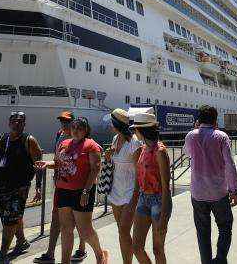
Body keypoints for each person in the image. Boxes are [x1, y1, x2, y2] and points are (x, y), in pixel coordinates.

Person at [36, 117, 108, 264]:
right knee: (66, 229)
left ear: (85, 130)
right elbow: (58, 163)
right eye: (74, 127)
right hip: (63, 190)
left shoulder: (91, 145)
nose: (75, 130)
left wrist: (86, 191)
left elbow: (95, 169)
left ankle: (100, 254)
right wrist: (46, 163)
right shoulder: (64, 143)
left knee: (85, 231)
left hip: (81, 191)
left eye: (80, 128)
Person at [0, 112, 43, 263]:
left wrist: (38, 187)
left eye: (20, 121)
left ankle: (3, 253)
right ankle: (22, 242)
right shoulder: (3, 138)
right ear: (9, 123)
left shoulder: (29, 140)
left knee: (10, 221)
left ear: (24, 124)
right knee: (11, 217)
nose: (17, 124)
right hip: (0, 187)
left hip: (19, 188)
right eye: (14, 121)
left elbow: (39, 165)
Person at [184, 105, 237, 264]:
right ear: (215, 120)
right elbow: (230, 165)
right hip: (219, 193)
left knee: (202, 232)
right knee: (225, 226)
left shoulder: (190, 136)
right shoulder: (221, 136)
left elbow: (186, 153)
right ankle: (220, 259)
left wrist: (195, 130)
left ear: (199, 120)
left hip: (198, 193)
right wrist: (233, 190)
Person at [34, 111, 87, 263]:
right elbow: (58, 160)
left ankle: (82, 249)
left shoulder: (79, 138)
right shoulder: (59, 135)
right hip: (60, 183)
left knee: (79, 220)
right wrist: (48, 165)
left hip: (76, 186)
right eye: (62, 121)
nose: (64, 124)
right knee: (56, 218)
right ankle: (50, 253)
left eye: (67, 122)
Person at [131, 112, 172, 264]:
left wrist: (163, 217)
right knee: (136, 246)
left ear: (142, 131)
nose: (134, 132)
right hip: (143, 199)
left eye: (135, 129)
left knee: (157, 249)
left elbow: (166, 187)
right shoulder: (142, 149)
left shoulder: (160, 152)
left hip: (158, 201)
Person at [105, 109, 142, 264]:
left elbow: (139, 173)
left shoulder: (134, 143)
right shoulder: (115, 139)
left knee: (124, 230)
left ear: (116, 124)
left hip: (129, 193)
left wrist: (135, 197)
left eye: (111, 123)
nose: (109, 126)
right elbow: (112, 164)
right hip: (115, 191)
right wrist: (108, 156)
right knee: (122, 231)